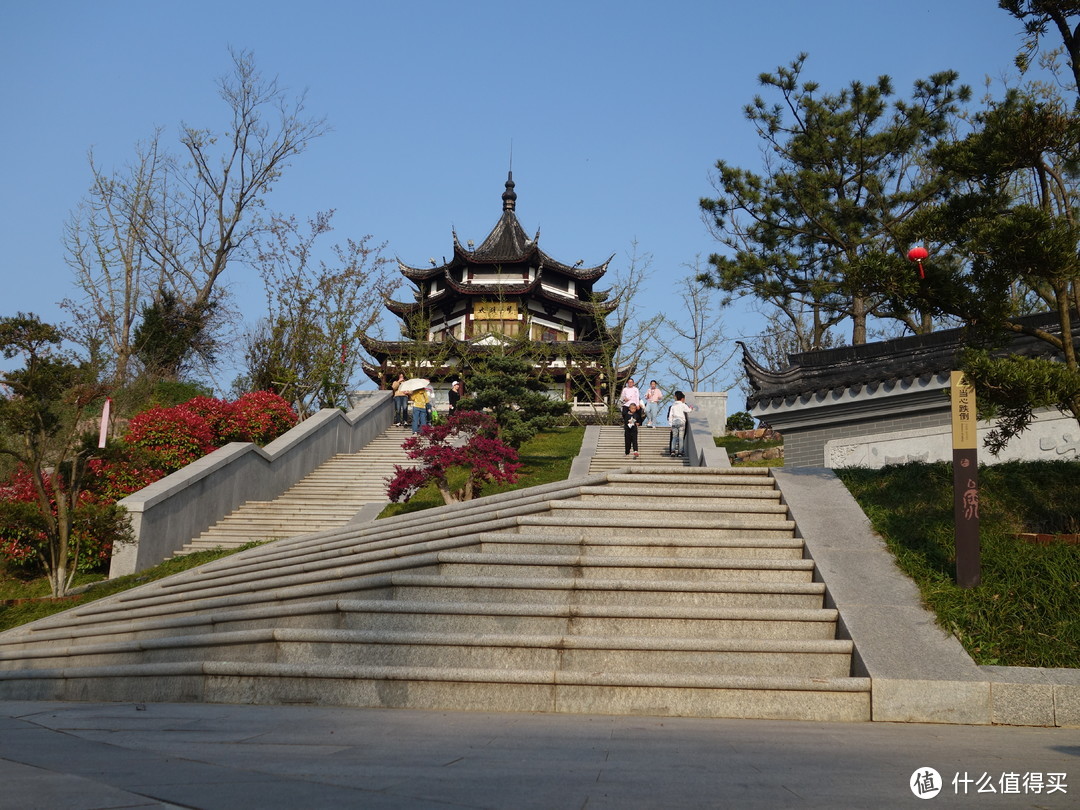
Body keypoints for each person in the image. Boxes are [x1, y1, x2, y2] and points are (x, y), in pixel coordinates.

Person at [667, 391, 693, 456]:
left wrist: (670, 424)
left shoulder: (673, 406)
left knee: (674, 437)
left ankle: (672, 451)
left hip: (674, 422)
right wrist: (691, 408)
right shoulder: (683, 405)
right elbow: (688, 410)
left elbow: (670, 416)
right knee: (681, 438)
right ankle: (680, 452)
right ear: (682, 398)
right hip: (681, 421)